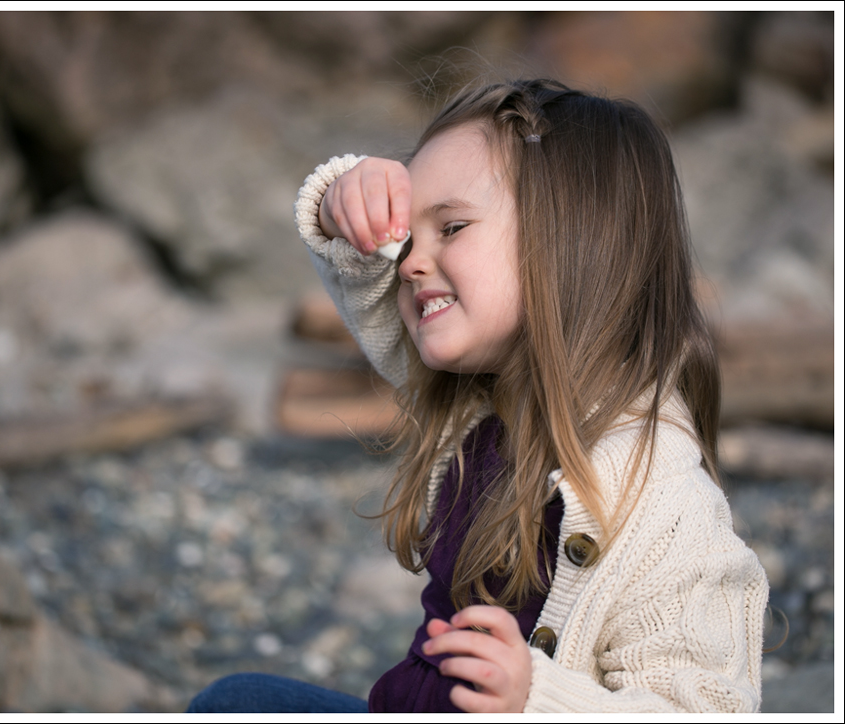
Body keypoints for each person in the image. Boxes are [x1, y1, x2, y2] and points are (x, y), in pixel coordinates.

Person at [188, 78, 768, 713]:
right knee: (236, 698)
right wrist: (346, 208)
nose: (408, 263)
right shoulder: (473, 404)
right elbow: (377, 302)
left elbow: (708, 708)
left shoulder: (666, 509)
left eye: (452, 227)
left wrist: (535, 699)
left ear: (575, 242)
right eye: (406, 239)